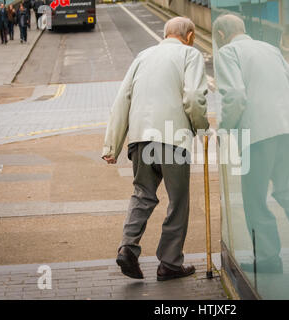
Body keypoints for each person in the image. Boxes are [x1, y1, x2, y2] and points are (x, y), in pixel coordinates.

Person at [213, 14, 289, 273]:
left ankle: (268, 259)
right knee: (286, 188)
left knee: (254, 199)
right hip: (286, 131)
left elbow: (235, 95)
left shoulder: (228, 53)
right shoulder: (271, 50)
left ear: (220, 35)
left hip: (257, 136)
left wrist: (224, 129)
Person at [102, 17, 209, 281]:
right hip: (173, 138)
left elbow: (122, 99)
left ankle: (128, 247)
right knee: (178, 201)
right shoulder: (190, 54)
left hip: (140, 138)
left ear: (165, 34)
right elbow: (194, 97)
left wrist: (112, 145)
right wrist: (202, 127)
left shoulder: (142, 56)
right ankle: (169, 264)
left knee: (142, 194)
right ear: (191, 35)